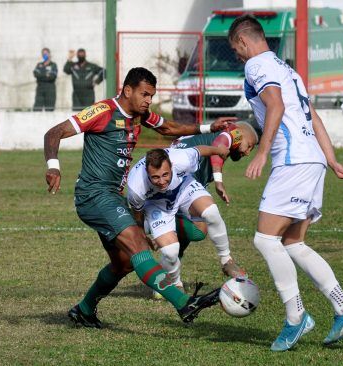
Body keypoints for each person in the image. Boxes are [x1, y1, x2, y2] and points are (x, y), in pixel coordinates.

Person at [43, 67, 236, 327]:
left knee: (123, 264)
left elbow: (168, 128)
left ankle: (84, 310)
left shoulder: (140, 115)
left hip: (112, 196)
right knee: (139, 246)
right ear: (127, 90)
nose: (148, 101)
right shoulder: (103, 112)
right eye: (145, 94)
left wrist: (207, 126)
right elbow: (54, 133)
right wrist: (53, 166)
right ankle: (183, 303)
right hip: (94, 194)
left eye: (151, 96)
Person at [228, 15, 343, 351]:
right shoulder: (287, 69)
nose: (238, 57)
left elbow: (275, 105)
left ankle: (295, 316)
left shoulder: (256, 65)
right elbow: (312, 116)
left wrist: (262, 152)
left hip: (293, 160)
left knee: (264, 239)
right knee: (292, 243)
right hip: (312, 158)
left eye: (236, 50)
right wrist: (330, 159)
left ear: (244, 42)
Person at [127, 147, 246, 297]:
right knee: (170, 252)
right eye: (155, 177)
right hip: (157, 204)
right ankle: (175, 283)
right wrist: (143, 236)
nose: (162, 181)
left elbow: (202, 150)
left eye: (165, 174)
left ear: (171, 165)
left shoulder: (182, 158)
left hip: (184, 188)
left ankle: (226, 260)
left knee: (211, 212)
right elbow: (137, 215)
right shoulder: (136, 187)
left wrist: (219, 150)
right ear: (147, 173)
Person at [168, 121, 260, 260]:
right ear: (241, 132)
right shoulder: (233, 132)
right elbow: (219, 144)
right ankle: (152, 222)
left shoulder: (218, 134)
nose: (247, 153)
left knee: (192, 227)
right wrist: (219, 182)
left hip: (178, 171)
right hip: (180, 174)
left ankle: (173, 269)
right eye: (249, 146)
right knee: (198, 229)